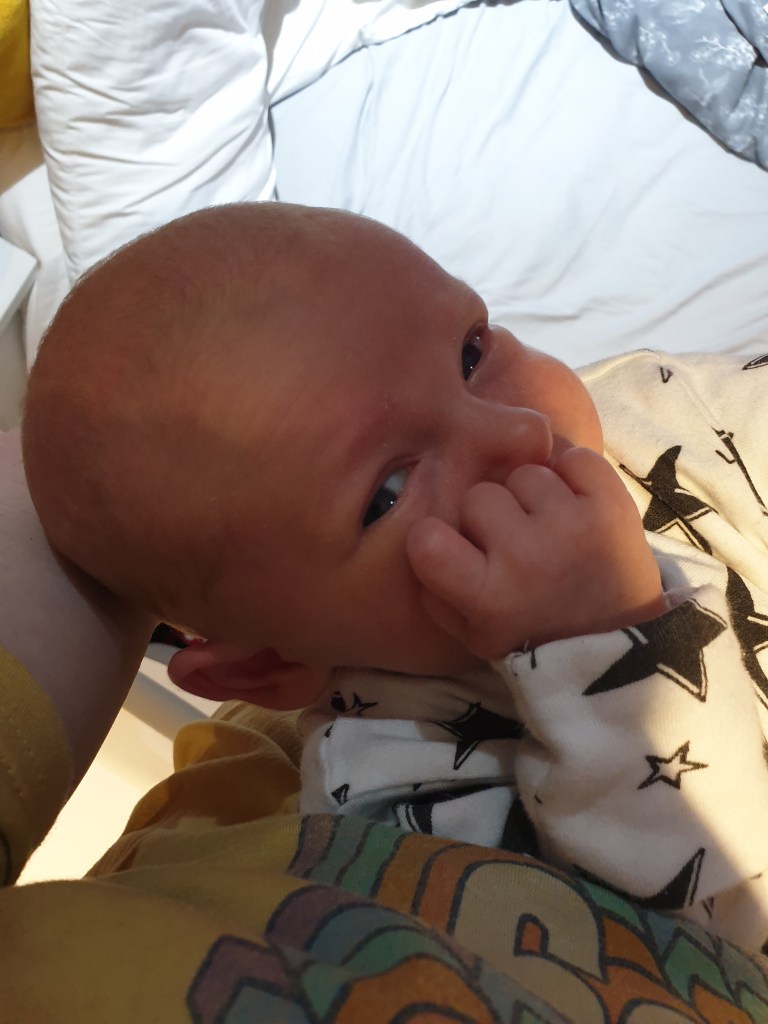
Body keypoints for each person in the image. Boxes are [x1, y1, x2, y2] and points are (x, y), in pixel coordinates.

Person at [21, 202, 768, 954]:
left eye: (471, 354)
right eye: (387, 492)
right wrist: (599, 643)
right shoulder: (402, 808)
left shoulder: (654, 412)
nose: (520, 431)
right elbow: (689, 954)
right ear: (266, 666)